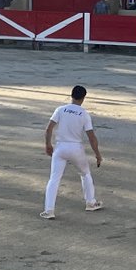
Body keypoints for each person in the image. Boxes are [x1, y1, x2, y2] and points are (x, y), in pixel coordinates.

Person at [41, 85, 104, 219]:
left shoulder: (60, 109)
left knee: (54, 178)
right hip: (76, 148)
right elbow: (91, 137)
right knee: (85, 174)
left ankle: (49, 210)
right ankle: (90, 202)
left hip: (60, 147)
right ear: (83, 98)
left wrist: (48, 144)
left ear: (71, 95)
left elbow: (49, 129)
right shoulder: (84, 114)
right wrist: (97, 154)